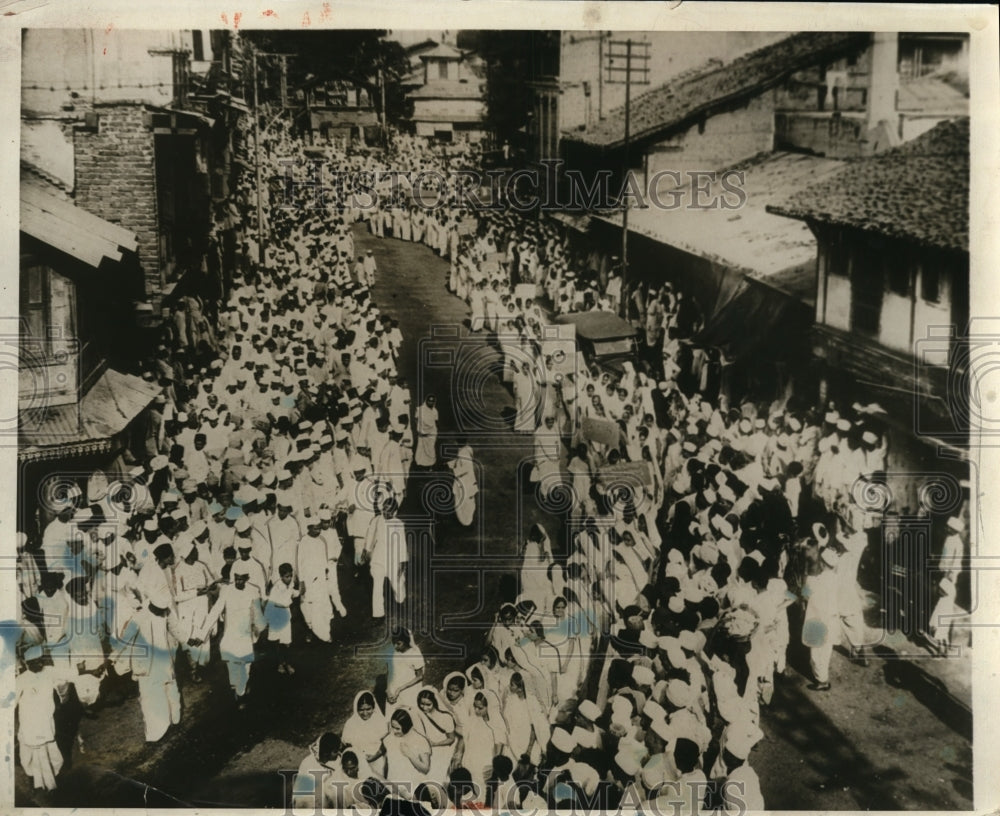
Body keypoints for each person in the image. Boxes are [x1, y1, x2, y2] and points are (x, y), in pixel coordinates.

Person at [191, 565, 265, 709]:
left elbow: (257, 614)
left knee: (246, 667)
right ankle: (239, 691)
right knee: (233, 667)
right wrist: (201, 634)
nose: (238, 582)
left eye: (241, 580)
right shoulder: (227, 591)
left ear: (247, 579)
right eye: (236, 579)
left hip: (245, 637)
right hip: (230, 637)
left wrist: (259, 631)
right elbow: (214, 612)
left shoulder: (253, 591)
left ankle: (241, 693)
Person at [119, 587, 187, 742]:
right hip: (147, 666)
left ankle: (174, 722)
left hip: (164, 661)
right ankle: (156, 735)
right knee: (151, 699)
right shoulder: (139, 616)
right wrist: (112, 659)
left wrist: (188, 639)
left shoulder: (166, 611)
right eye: (157, 609)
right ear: (151, 604)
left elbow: (175, 629)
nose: (160, 612)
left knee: (172, 692)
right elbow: (124, 640)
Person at [17, 645, 62, 792]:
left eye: (41, 660)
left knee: (51, 754)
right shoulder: (21, 680)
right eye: (36, 662)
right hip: (30, 725)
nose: (40, 664)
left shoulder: (48, 672)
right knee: (29, 756)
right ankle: (39, 781)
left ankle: (50, 782)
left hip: (45, 723)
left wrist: (89, 670)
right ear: (27, 663)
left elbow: (69, 674)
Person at [367, 708, 432, 800]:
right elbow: (383, 750)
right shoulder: (389, 738)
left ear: (406, 726)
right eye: (392, 727)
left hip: (413, 786)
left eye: (398, 728)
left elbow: (425, 769)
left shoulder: (420, 740)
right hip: (394, 784)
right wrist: (371, 758)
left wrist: (410, 755)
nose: (394, 731)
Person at [413, 686, 460, 786]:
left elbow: (451, 739)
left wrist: (435, 744)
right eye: (422, 704)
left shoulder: (445, 717)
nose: (424, 707)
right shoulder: (419, 714)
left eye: (428, 704)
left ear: (435, 702)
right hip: (425, 751)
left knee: (437, 780)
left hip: (442, 752)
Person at [266, 562, 301, 675]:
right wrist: (286, 603)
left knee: (286, 643)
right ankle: (280, 664)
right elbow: (272, 603)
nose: (289, 578)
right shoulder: (276, 587)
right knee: (276, 642)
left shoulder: (290, 585)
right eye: (287, 576)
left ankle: (287, 663)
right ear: (281, 577)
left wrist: (300, 591)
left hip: (286, 617)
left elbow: (293, 593)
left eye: (291, 575)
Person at [342, 690, 388, 778]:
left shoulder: (381, 721)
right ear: (356, 708)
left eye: (368, 709)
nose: (365, 713)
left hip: (378, 760)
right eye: (361, 710)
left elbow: (385, 745)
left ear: (373, 707)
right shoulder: (351, 723)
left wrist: (373, 757)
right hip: (358, 763)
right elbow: (347, 745)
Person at [385, 627, 425, 714]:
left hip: (408, 691)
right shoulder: (393, 653)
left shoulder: (414, 654)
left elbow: (420, 676)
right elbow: (389, 672)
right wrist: (388, 689)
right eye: (393, 643)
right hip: (393, 691)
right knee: (392, 716)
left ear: (406, 642)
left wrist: (400, 689)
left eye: (398, 643)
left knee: (408, 716)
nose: (395, 646)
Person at [447, 439, 478, 527]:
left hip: (465, 481)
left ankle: (466, 521)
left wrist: (453, 469)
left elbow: (464, 469)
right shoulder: (467, 450)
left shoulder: (463, 453)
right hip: (466, 481)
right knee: (464, 500)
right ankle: (465, 520)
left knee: (464, 501)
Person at [414, 395, 438, 469]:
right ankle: (421, 466)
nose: (431, 402)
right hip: (422, 434)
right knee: (421, 450)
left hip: (431, 434)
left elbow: (436, 422)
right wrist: (420, 429)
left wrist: (432, 431)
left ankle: (430, 466)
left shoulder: (435, 411)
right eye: (429, 400)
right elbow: (416, 419)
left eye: (432, 401)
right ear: (426, 401)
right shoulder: (420, 409)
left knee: (431, 450)